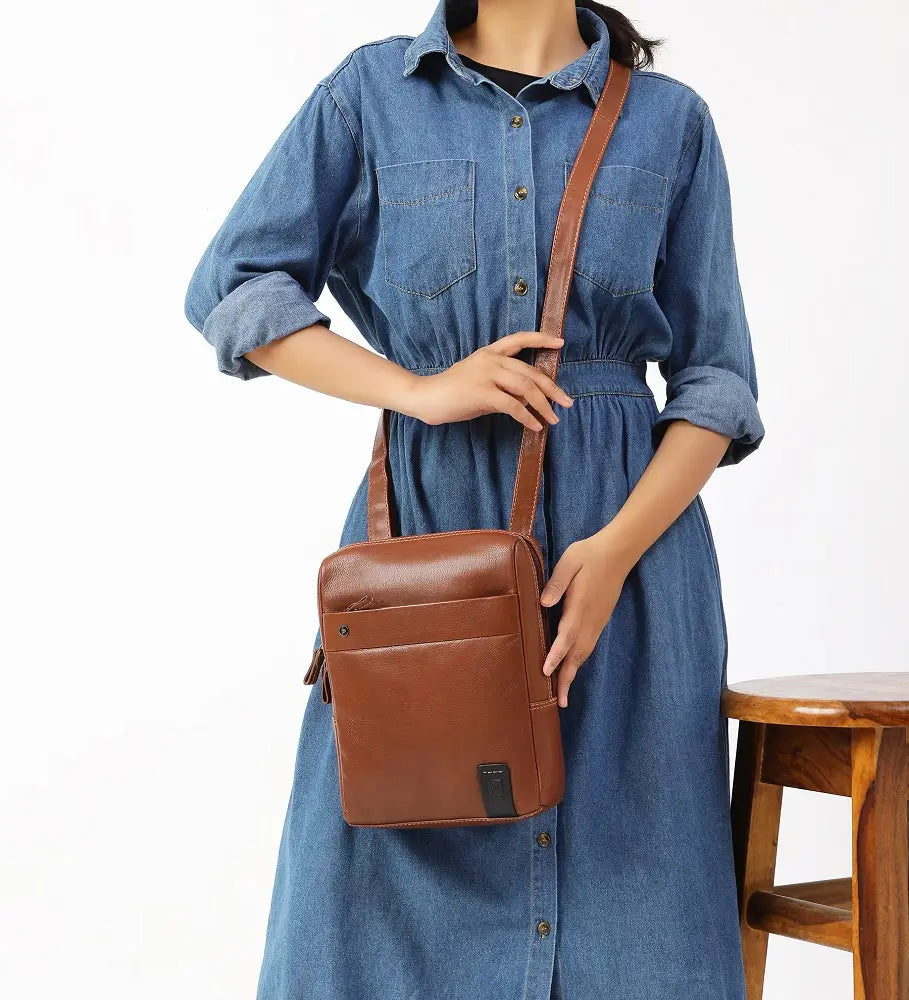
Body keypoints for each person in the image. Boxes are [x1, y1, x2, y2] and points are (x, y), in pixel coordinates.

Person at [183, 1, 765, 997]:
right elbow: (236, 287)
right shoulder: (369, 97)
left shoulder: (670, 121)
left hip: (626, 563)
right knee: (383, 870)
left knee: (640, 895)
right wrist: (416, 387)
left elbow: (716, 382)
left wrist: (618, 549)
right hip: (428, 546)